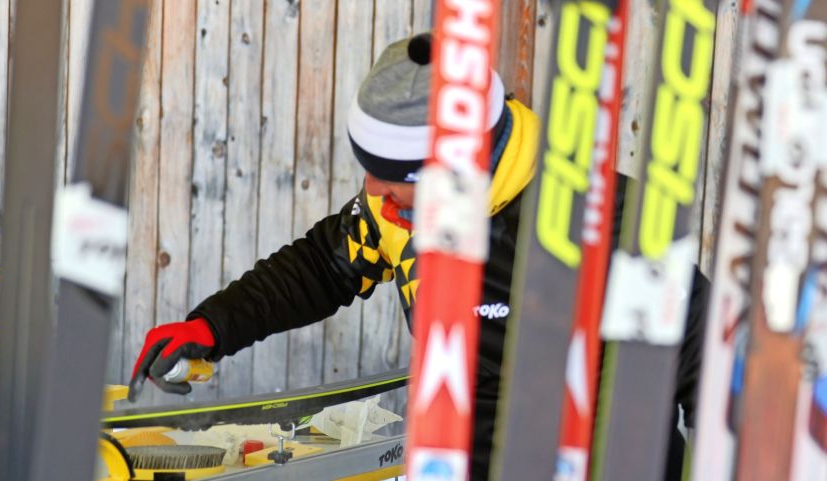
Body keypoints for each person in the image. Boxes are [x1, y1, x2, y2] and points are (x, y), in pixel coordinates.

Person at [128, 33, 707, 480]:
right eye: (370, 175)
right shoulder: (397, 211)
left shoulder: (612, 226)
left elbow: (711, 380)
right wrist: (213, 326)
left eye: (394, 183)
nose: (376, 198)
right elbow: (320, 267)